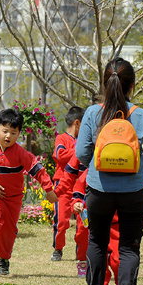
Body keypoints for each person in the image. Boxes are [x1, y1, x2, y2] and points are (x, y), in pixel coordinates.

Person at [75, 57, 143, 285]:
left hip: (99, 188)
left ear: (105, 84)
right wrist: (142, 164)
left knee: (96, 241)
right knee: (129, 245)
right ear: (132, 85)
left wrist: (97, 166)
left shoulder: (93, 113)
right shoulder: (141, 115)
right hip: (134, 191)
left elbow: (82, 151)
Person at [0, 108, 57, 275]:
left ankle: (4, 260)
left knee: (8, 230)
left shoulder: (21, 154)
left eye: (13, 132)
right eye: (5, 131)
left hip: (13, 199)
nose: (8, 136)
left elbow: (38, 170)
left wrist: (48, 189)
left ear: (19, 134)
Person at [51, 106, 86, 266]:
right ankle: (58, 248)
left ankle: (81, 252)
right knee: (61, 220)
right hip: (63, 184)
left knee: (83, 220)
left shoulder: (84, 140)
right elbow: (60, 156)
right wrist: (78, 149)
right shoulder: (61, 139)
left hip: (80, 184)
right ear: (77, 123)